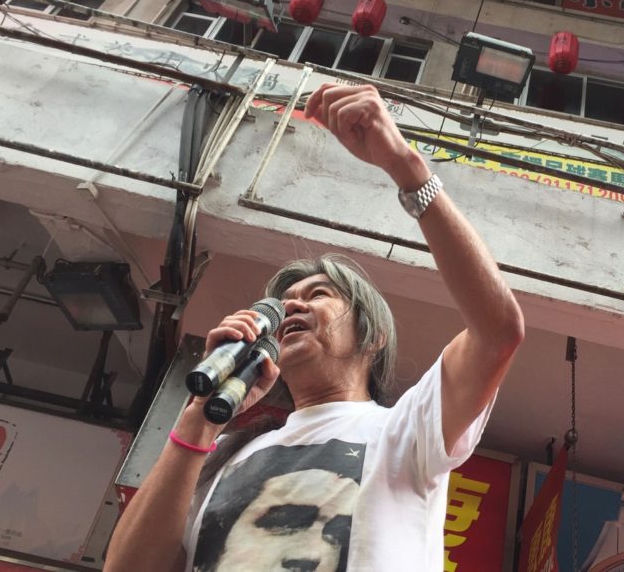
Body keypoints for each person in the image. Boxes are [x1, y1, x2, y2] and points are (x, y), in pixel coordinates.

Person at [104, 83, 526, 572]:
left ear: (374, 336)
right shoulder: (221, 457)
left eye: (318, 295)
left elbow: (499, 331)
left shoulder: (405, 431)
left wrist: (407, 170)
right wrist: (198, 416)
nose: (293, 307)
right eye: (284, 305)